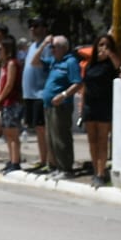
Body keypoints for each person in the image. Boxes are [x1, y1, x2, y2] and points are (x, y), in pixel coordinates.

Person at [80, 33, 119, 187]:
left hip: (104, 105)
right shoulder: (91, 64)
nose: (103, 48)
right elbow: (85, 86)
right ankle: (96, 171)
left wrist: (110, 54)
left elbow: (118, 67)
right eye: (101, 44)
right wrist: (82, 106)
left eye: (107, 45)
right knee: (92, 141)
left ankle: (102, 173)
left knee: (103, 140)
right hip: (90, 105)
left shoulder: (110, 65)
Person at [40, 34, 80, 178]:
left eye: (53, 47)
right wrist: (44, 45)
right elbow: (33, 62)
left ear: (63, 48)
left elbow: (77, 83)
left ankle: (66, 168)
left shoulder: (70, 62)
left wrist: (63, 95)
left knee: (61, 137)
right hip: (49, 105)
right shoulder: (53, 62)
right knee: (51, 138)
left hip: (62, 105)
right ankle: (57, 166)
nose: (51, 50)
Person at [22, 17, 51, 172]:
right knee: (37, 129)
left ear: (44, 28)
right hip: (30, 93)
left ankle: (48, 160)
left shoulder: (46, 47)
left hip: (41, 92)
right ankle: (42, 159)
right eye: (31, 26)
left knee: (43, 128)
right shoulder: (33, 45)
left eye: (36, 26)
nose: (32, 29)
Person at [0, 37, 24, 173]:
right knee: (7, 132)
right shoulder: (5, 64)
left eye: (0, 49)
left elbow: (9, 85)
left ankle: (16, 160)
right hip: (5, 102)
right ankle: (11, 159)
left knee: (13, 132)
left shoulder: (12, 64)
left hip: (12, 101)